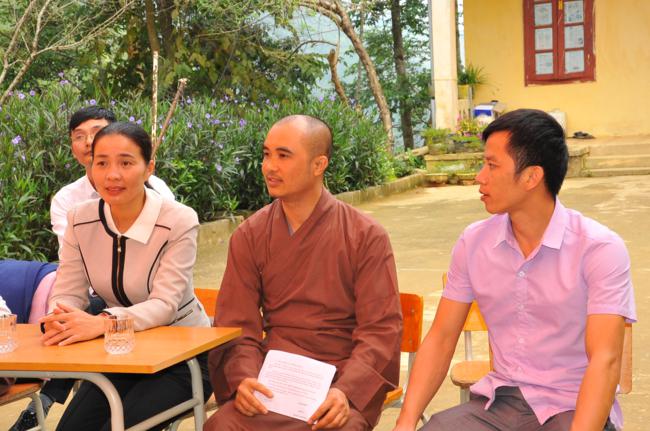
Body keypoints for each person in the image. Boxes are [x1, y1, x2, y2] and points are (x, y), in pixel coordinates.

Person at [393, 109, 636, 431]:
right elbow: (441, 337)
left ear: (532, 177)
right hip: (501, 402)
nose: (480, 177)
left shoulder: (599, 249)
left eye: (492, 165)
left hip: (573, 405)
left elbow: (605, 361)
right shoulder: (473, 243)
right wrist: (406, 420)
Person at [204, 115, 402, 431]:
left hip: (339, 378)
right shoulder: (250, 235)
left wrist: (347, 391)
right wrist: (244, 378)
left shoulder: (365, 235)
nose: (269, 167)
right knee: (222, 425)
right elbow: (236, 324)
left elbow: (380, 330)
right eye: (266, 154)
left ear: (318, 164)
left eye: (283, 156)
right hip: (272, 379)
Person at [39, 122, 211, 431]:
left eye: (126, 163)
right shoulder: (79, 219)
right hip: (118, 354)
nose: (112, 175)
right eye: (102, 163)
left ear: (149, 168)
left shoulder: (179, 220)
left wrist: (102, 322)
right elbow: (68, 292)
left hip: (184, 358)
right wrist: (60, 317)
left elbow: (164, 305)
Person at [50, 106, 174, 251]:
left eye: (97, 133)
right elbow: (70, 253)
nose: (89, 141)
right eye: (79, 136)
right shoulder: (65, 200)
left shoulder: (156, 188)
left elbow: (170, 243)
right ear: (72, 150)